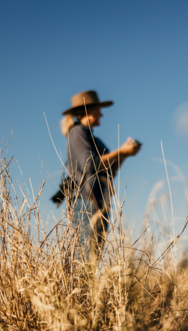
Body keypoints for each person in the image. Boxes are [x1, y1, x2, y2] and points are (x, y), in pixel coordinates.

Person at [58, 90, 141, 262]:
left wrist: (125, 154)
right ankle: (81, 289)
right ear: (89, 111)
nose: (102, 113)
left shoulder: (93, 138)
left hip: (99, 201)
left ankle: (88, 289)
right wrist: (120, 151)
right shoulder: (78, 132)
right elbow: (91, 164)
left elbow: (109, 171)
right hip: (84, 200)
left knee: (94, 256)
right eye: (98, 109)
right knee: (85, 255)